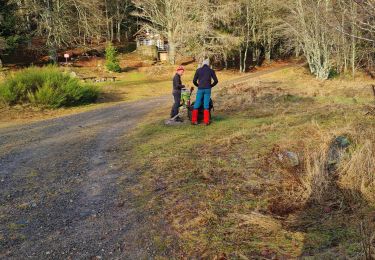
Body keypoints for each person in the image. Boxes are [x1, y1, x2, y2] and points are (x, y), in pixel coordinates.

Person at [191, 59, 218, 125]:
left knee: (197, 104)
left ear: (203, 64)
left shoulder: (198, 70)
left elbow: (194, 81)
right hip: (208, 89)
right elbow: (216, 81)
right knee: (206, 105)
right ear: (208, 64)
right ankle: (206, 121)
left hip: (200, 89)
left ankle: (194, 121)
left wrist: (198, 85)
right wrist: (211, 85)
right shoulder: (211, 71)